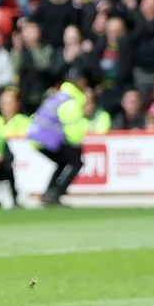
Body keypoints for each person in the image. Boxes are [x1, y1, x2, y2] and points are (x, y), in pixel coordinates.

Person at [26, 66, 94, 205]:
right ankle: (55, 194)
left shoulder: (60, 95)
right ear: (80, 81)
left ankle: (49, 193)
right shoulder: (70, 101)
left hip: (37, 137)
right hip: (47, 138)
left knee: (63, 162)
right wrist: (87, 123)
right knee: (76, 161)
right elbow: (73, 132)